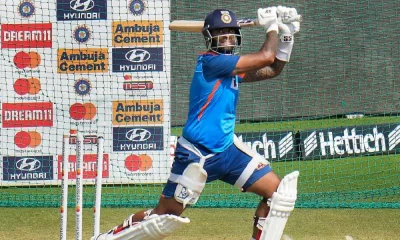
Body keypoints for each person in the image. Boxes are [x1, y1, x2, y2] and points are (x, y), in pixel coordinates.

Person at [94, 6, 300, 240]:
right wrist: (271, 27)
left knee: (278, 193)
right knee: (164, 218)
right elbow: (266, 57)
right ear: (210, 36)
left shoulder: (233, 68)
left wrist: (286, 34)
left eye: (231, 32)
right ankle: (109, 237)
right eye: (222, 33)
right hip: (196, 155)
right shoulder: (211, 62)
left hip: (227, 151)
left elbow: (272, 69)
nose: (228, 37)